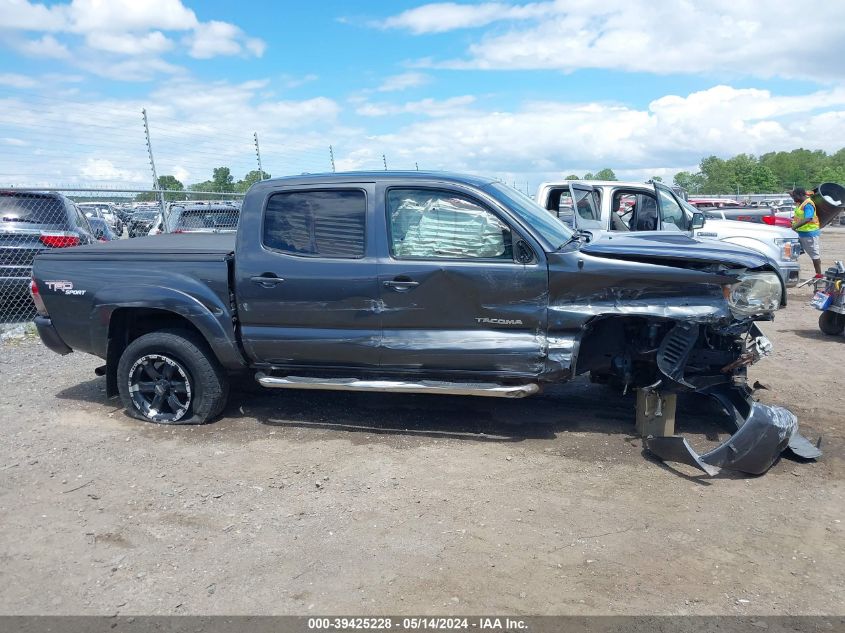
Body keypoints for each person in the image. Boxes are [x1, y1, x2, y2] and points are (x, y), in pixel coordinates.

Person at [790, 187, 823, 278]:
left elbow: (808, 218)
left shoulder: (808, 204)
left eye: (794, 196)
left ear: (800, 195)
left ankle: (819, 275)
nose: (793, 198)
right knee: (792, 252)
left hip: (809, 233)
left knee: (814, 254)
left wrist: (794, 227)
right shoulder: (801, 203)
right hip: (800, 233)